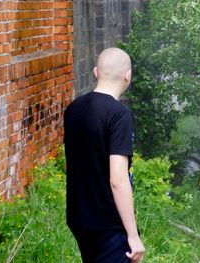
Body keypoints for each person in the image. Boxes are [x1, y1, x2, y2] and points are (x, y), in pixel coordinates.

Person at [64, 47, 146, 263]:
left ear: (95, 72)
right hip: (107, 223)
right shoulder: (119, 115)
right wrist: (133, 235)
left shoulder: (73, 108)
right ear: (127, 75)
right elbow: (118, 179)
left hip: (79, 217)